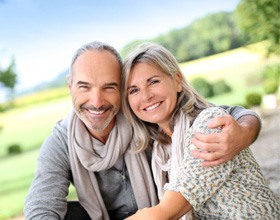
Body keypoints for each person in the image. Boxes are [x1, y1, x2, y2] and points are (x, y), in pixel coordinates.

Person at [24, 41, 262, 220]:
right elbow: (41, 205)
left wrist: (244, 131)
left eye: (109, 87)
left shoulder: (141, 119)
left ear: (121, 89)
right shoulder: (61, 142)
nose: (96, 101)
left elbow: (225, 114)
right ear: (70, 85)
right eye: (84, 87)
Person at [121, 42, 279, 219]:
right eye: (133, 90)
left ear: (177, 81)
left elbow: (165, 213)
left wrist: (248, 127)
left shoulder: (209, 125)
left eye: (154, 82)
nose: (146, 96)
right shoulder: (161, 150)